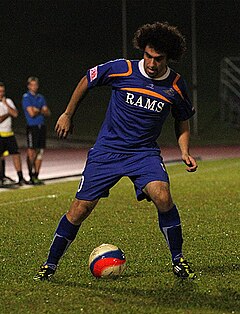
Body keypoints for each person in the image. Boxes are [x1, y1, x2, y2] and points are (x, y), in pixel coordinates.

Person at [34, 22, 198, 281]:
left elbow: (182, 120)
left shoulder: (176, 86)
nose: (152, 63)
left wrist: (185, 150)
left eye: (159, 58)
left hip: (144, 153)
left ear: (169, 57)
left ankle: (178, 260)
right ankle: (50, 265)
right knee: (80, 209)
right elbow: (87, 79)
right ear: (142, 51)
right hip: (107, 151)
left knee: (163, 197)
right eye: (148, 55)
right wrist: (67, 113)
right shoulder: (122, 68)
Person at [22, 77, 51, 185]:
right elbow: (31, 113)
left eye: (36, 85)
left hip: (41, 126)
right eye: (32, 85)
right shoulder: (26, 97)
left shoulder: (41, 97)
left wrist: (37, 110)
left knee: (40, 152)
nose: (34, 87)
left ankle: (36, 176)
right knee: (31, 152)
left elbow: (48, 112)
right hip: (32, 127)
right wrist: (40, 110)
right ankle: (31, 176)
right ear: (29, 86)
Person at [0, 82, 27, 186]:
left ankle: (20, 177)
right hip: (0, 133)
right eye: (0, 91)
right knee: (1, 156)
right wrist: (8, 113)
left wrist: (6, 104)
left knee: (16, 154)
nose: (1, 93)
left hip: (9, 133)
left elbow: (15, 114)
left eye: (3, 91)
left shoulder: (8, 101)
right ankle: (1, 177)